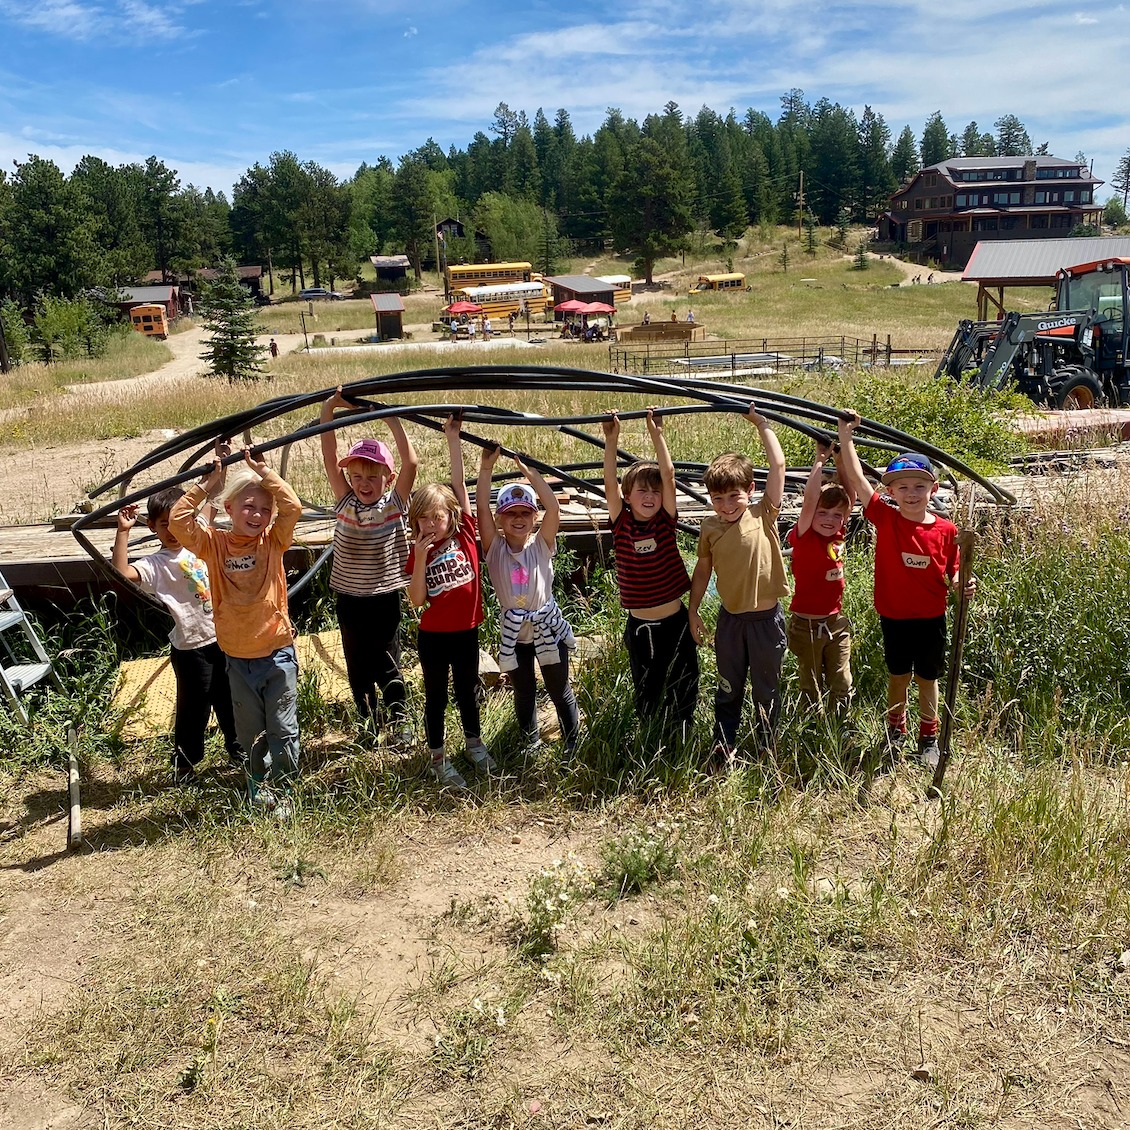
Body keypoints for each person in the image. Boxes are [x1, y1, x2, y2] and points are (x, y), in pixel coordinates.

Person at [836, 413, 974, 768]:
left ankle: (929, 736)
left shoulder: (946, 530)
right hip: (894, 616)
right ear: (890, 491)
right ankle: (895, 729)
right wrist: (846, 437)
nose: (911, 494)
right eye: (903, 487)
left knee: (928, 679)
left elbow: (953, 571)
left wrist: (961, 585)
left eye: (919, 486)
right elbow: (856, 477)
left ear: (933, 490)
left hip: (931, 617)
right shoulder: (887, 517)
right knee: (898, 676)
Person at [169, 450, 303, 816]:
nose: (257, 515)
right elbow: (180, 521)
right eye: (248, 506)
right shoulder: (214, 544)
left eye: (264, 509)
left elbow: (292, 508)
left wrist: (263, 472)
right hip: (238, 658)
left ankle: (287, 790)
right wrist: (207, 485)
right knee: (250, 732)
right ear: (228, 508)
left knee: (283, 726)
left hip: (277, 652)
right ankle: (257, 785)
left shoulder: (273, 541)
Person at [112, 488, 242, 782]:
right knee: (194, 708)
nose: (173, 531)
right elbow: (121, 574)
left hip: (224, 639)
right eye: (164, 524)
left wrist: (213, 477)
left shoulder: (200, 543)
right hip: (191, 649)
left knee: (231, 699)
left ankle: (238, 749)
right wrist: (122, 532)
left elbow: (210, 502)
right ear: (152, 527)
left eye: (178, 521)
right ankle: (184, 763)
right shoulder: (156, 564)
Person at [688, 406, 789, 765]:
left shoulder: (764, 514)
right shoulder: (710, 527)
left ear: (751, 490)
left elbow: (778, 466)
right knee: (728, 687)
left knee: (766, 690)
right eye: (718, 498)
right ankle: (723, 745)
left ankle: (766, 747)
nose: (726, 505)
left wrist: (762, 424)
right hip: (730, 622)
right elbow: (702, 570)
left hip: (765, 622)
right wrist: (694, 609)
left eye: (734, 496)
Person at [320, 388, 418, 743]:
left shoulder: (395, 505)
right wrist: (329, 409)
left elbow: (412, 463)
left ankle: (399, 719)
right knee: (357, 662)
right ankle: (367, 722)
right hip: (348, 596)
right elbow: (330, 457)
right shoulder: (344, 500)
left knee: (387, 658)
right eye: (357, 476)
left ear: (387, 480)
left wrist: (390, 418)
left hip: (383, 595)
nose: (363, 483)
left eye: (372, 477)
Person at [406, 415, 492, 789]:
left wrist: (453, 439)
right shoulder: (416, 552)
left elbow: (459, 484)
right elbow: (415, 601)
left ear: (450, 516)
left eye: (436, 517)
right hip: (434, 636)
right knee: (436, 697)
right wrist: (421, 557)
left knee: (467, 691)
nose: (430, 524)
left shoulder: (465, 535)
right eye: (422, 518)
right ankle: (438, 758)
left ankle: (473, 743)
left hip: (467, 631)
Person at [477, 447, 579, 755]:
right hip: (516, 636)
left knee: (559, 689)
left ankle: (572, 739)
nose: (518, 519)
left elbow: (553, 508)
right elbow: (481, 508)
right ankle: (529, 740)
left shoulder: (542, 545)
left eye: (525, 513)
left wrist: (528, 471)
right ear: (500, 520)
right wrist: (486, 469)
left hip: (547, 628)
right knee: (523, 691)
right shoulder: (495, 548)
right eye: (511, 514)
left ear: (534, 518)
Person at [602, 409, 698, 736]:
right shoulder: (621, 523)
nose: (650, 496)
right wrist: (611, 440)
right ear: (627, 497)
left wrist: (657, 434)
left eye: (654, 492)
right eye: (641, 491)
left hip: (675, 621)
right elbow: (609, 482)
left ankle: (682, 730)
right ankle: (652, 736)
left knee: (684, 677)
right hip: (640, 625)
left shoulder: (665, 522)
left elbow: (668, 475)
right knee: (646, 682)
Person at [786, 441, 855, 714]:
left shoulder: (837, 533)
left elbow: (848, 497)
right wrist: (819, 461)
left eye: (837, 515)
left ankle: (841, 726)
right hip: (806, 626)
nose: (829, 519)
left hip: (835, 623)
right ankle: (810, 727)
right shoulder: (804, 536)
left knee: (841, 679)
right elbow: (810, 502)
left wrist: (840, 462)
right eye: (822, 513)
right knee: (810, 684)